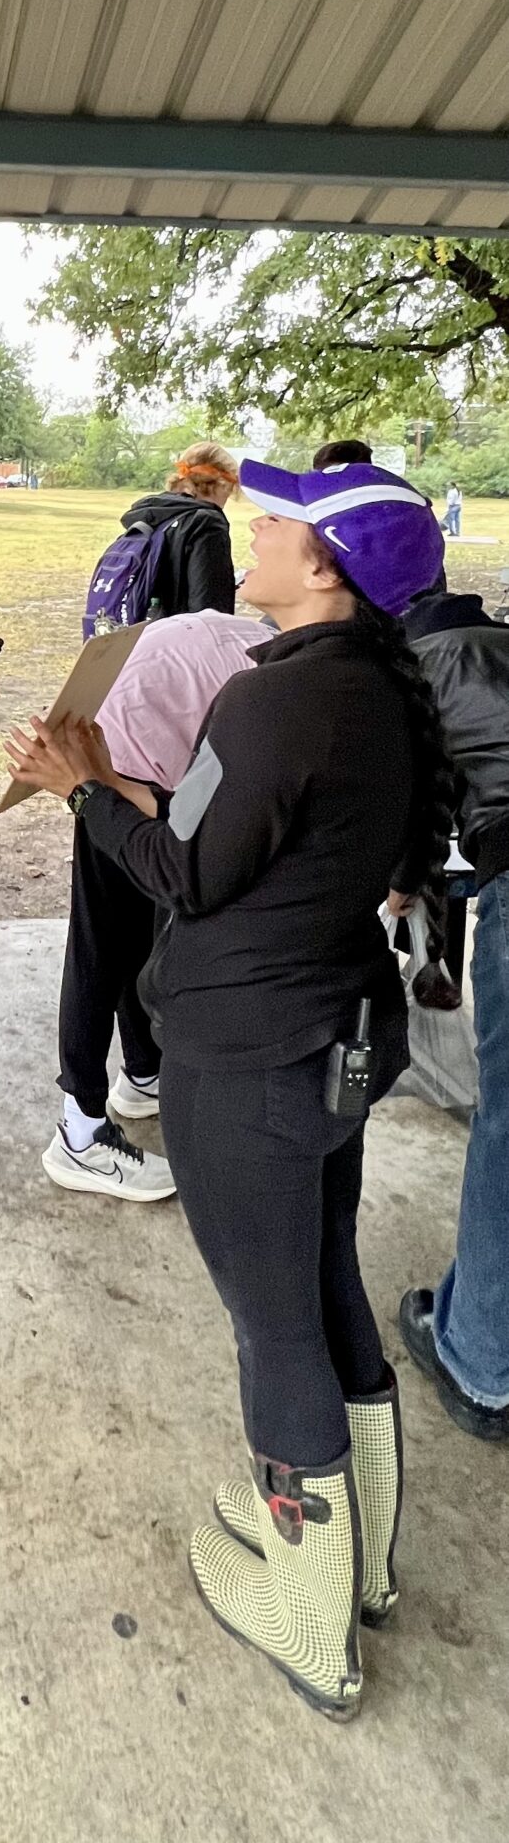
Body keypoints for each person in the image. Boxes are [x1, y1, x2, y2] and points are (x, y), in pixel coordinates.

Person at [6, 459, 447, 1720]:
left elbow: (184, 876)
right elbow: (234, 842)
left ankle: (309, 1618)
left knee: (273, 1328)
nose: (249, 530)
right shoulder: (368, 688)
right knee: (321, 1283)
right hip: (343, 1047)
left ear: (322, 570)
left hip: (248, 1061)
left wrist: (80, 788)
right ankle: (357, 1567)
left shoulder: (268, 703)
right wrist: (109, 775)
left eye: (277, 521)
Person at [39, 610, 271, 1201]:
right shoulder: (288, 678)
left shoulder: (269, 646)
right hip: (115, 756)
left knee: (130, 931)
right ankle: (80, 1132)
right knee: (100, 945)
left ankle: (143, 1074)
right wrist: (100, 790)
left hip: (122, 743)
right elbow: (202, 827)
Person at [399, 583, 509, 1442]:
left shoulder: (411, 665)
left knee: (504, 1128)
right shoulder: (495, 643)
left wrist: (403, 891)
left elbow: (420, 816)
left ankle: (475, 1357)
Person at [116, 439, 239, 618]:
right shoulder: (207, 523)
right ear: (222, 483)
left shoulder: (152, 515)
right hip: (180, 640)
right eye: (231, 487)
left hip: (142, 634)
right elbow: (210, 612)